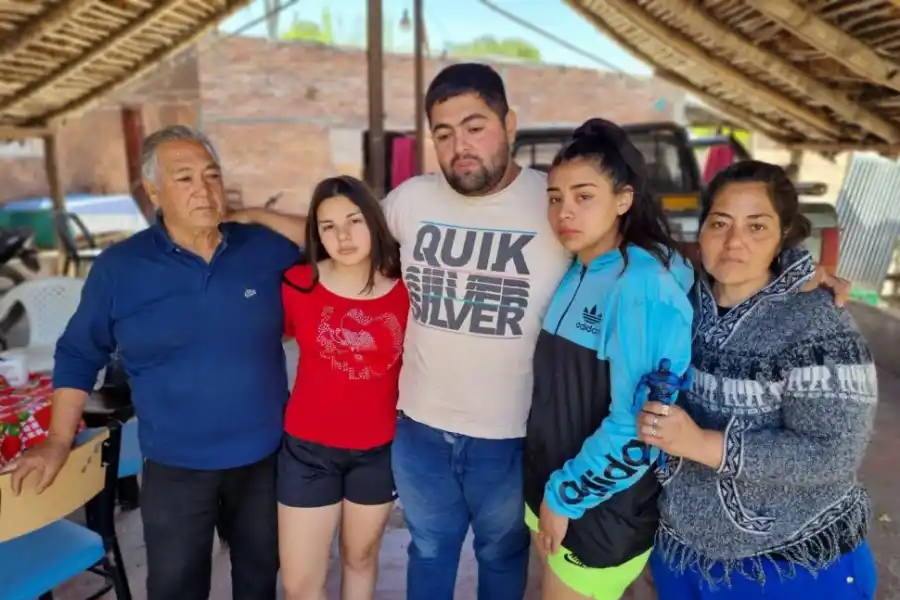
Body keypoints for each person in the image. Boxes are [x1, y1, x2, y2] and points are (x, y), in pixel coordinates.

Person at [229, 64, 853, 600]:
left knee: (503, 556)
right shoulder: (411, 200)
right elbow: (343, 235)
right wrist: (247, 217)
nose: (459, 145)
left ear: (509, 124)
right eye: (443, 133)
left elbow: (675, 261)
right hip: (420, 429)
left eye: (474, 126)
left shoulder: (557, 203)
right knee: (429, 551)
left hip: (512, 436)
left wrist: (787, 270)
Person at [5, 125, 301, 600]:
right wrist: (58, 440)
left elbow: (335, 237)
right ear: (153, 190)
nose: (203, 189)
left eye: (212, 175)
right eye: (184, 178)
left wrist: (250, 214)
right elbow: (79, 352)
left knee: (259, 579)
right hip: (175, 465)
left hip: (264, 459)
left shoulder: (262, 248)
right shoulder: (121, 268)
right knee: (175, 589)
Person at [639, 161, 878, 599]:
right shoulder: (679, 303)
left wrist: (705, 445)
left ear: (782, 236)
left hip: (792, 564)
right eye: (720, 223)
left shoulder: (818, 323)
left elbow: (833, 452)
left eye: (757, 227)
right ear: (702, 230)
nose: (734, 242)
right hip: (682, 551)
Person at [524, 118, 693, 600]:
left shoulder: (641, 285)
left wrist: (564, 498)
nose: (564, 211)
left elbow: (640, 428)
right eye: (555, 197)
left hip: (597, 510)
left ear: (623, 199)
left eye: (584, 196)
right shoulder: (578, 267)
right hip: (555, 491)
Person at [278, 175, 407, 600]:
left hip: (378, 450)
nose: (343, 236)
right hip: (308, 450)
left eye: (354, 221)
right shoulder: (297, 284)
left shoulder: (407, 289)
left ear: (373, 221)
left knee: (360, 559)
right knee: (300, 583)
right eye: (328, 226)